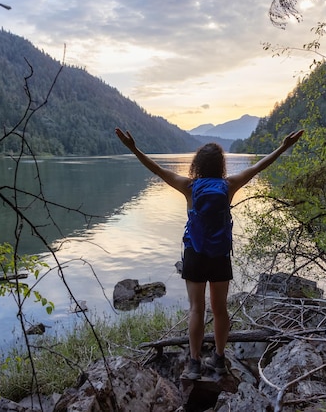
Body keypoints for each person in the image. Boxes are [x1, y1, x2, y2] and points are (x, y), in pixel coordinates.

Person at [114, 127, 303, 379]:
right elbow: (258, 167)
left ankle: (193, 363)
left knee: (196, 309)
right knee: (221, 309)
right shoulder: (229, 185)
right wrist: (282, 147)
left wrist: (134, 148)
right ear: (221, 165)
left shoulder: (189, 187)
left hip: (195, 253)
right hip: (220, 255)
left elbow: (157, 170)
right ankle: (219, 358)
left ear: (197, 164)